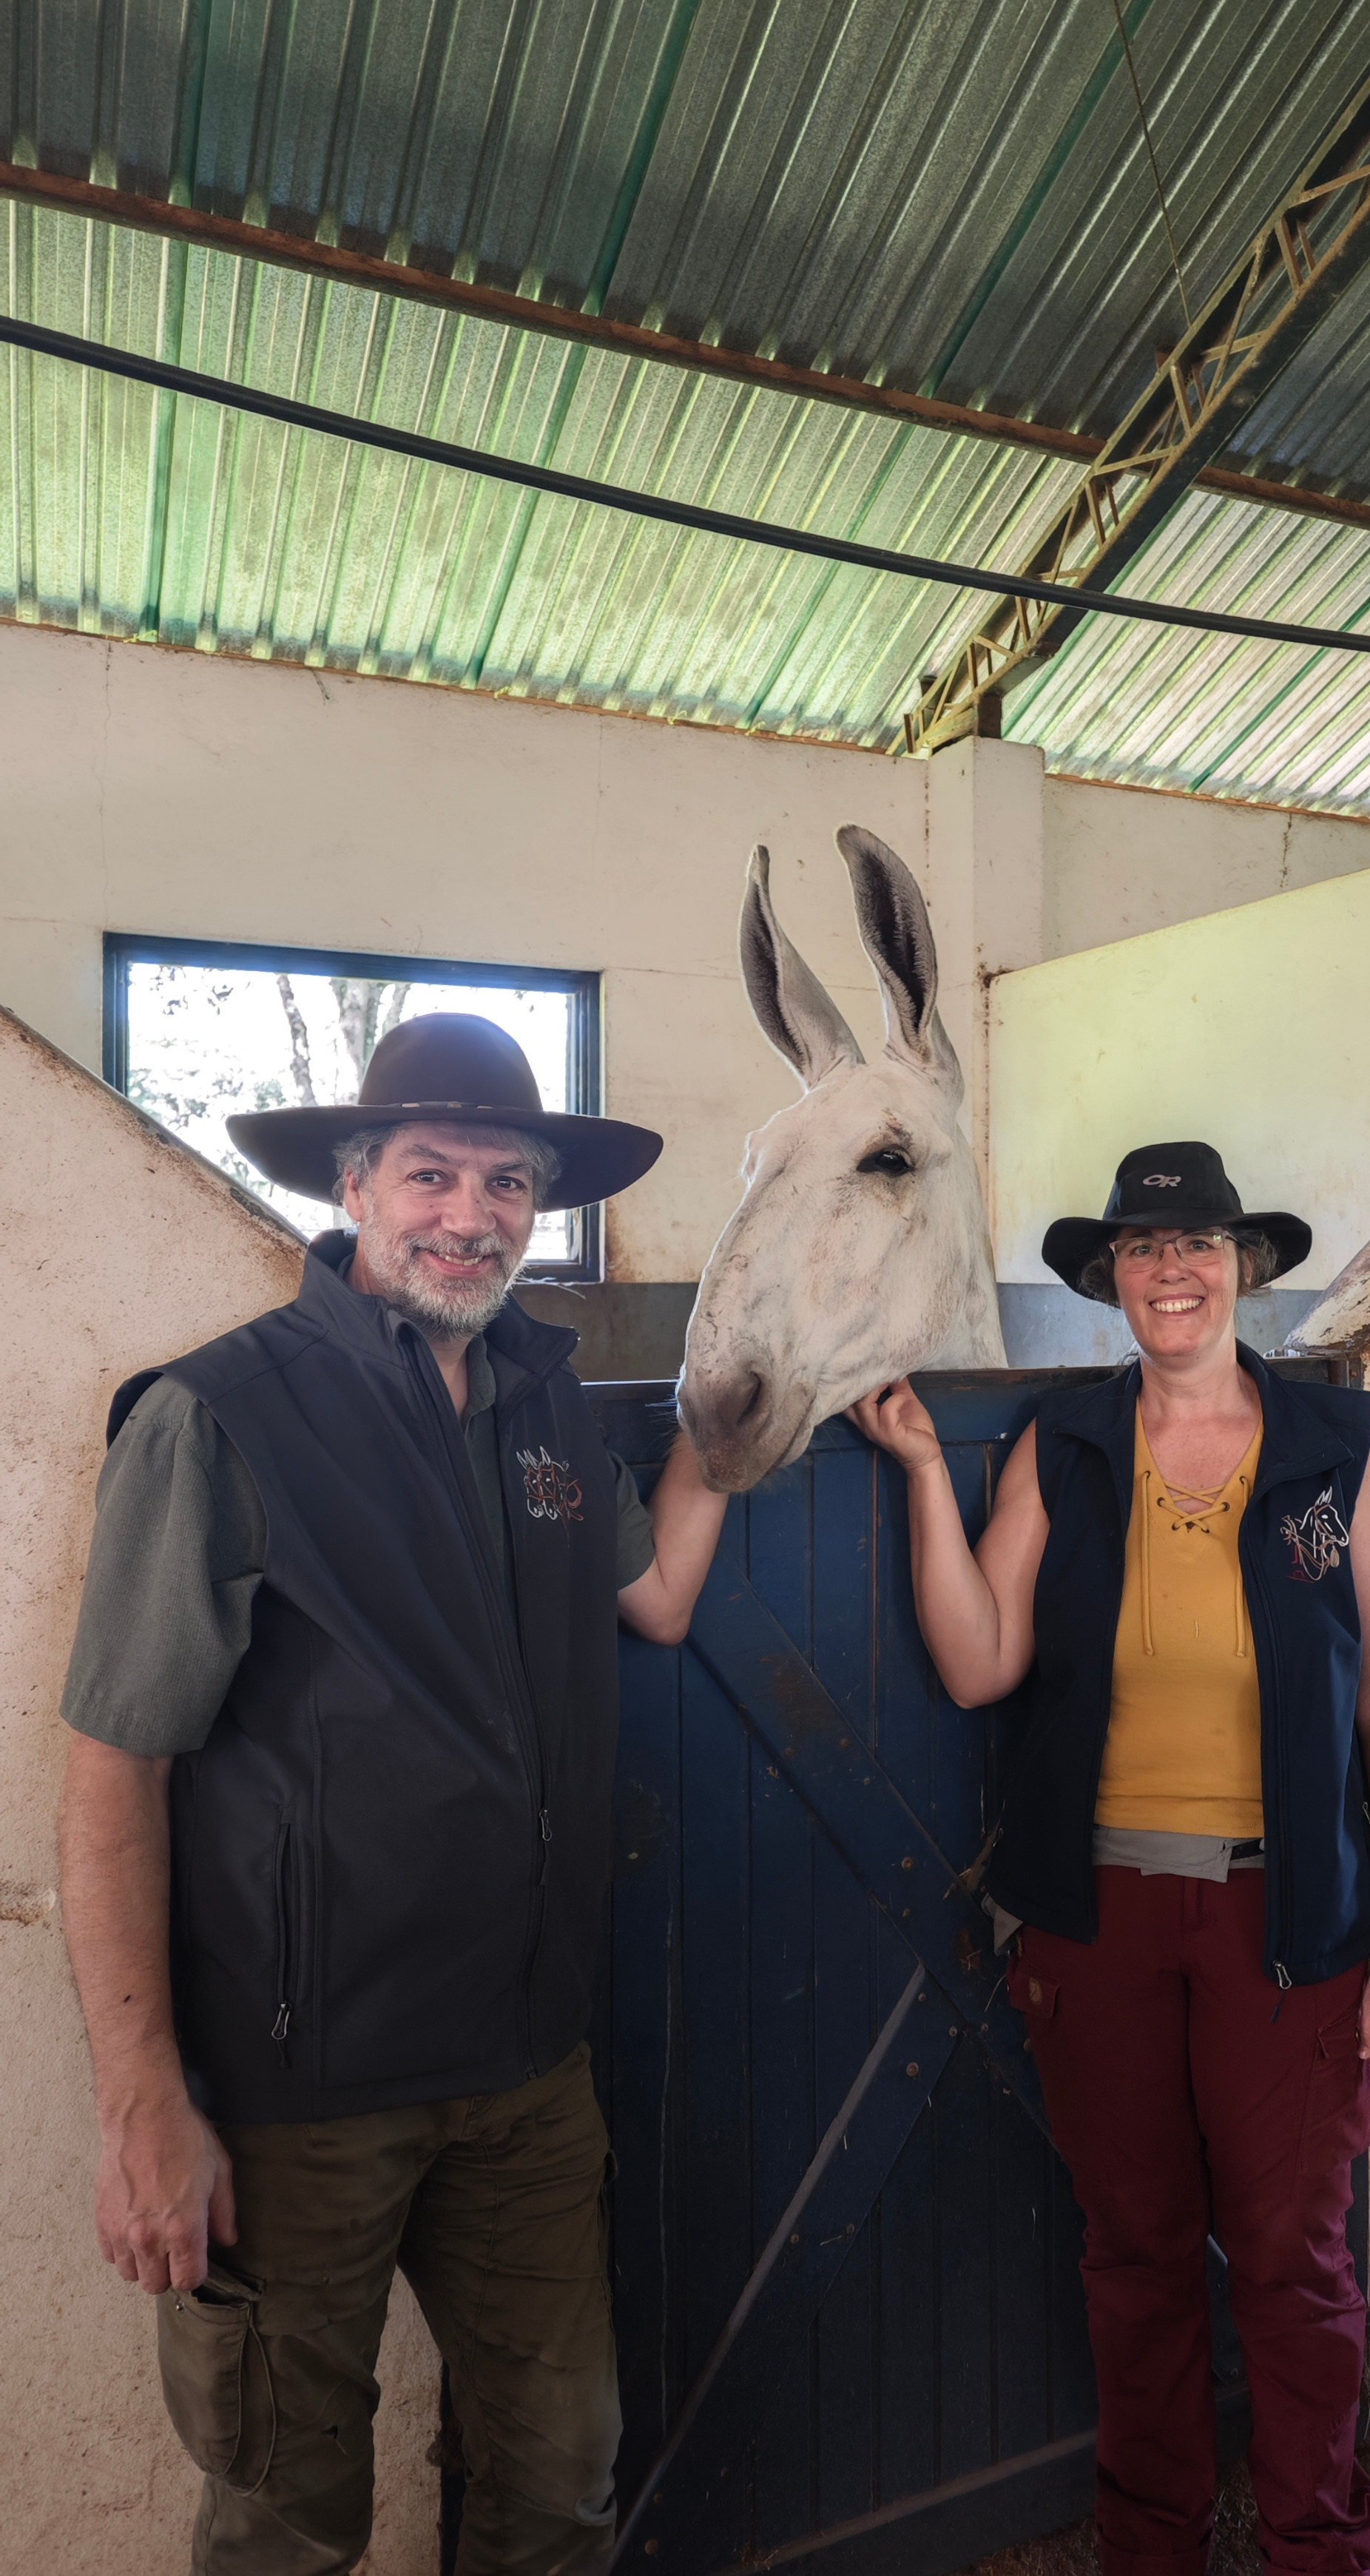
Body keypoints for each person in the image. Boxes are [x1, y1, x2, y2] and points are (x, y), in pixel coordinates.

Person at [58, 1012, 729, 2576]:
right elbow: (115, 1767)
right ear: (354, 1186)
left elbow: (656, 1597)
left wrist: (739, 1410)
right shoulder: (221, 1415)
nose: (471, 1214)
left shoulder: (549, 1406)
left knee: (562, 2484)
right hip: (302, 2098)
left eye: (509, 1182)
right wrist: (145, 2102)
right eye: (431, 1173)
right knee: (289, 2527)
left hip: (526, 2073)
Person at [851, 1141, 1370, 2576]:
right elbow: (981, 1663)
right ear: (1111, 1280)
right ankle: (1152, 2548)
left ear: (1242, 1268)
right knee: (1137, 2260)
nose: (1171, 1270)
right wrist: (925, 1473)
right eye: (1141, 1249)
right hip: (1100, 1921)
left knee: (1295, 2264)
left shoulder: (1333, 1448)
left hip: (1292, 1921)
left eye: (1198, 1246)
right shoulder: (1065, 1444)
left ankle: (1321, 2548)